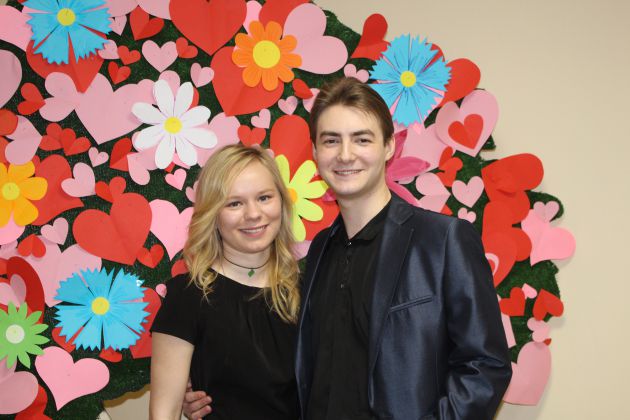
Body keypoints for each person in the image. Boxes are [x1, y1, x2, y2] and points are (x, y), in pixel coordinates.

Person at [184, 77, 512, 420]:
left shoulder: (442, 240)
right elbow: (296, 368)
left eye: (361, 139)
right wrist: (212, 391)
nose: (345, 154)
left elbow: (486, 366)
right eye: (331, 140)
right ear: (315, 153)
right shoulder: (318, 254)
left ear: (389, 146)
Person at [150, 145, 301, 420]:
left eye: (264, 197)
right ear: (213, 214)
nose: (253, 214)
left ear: (281, 201)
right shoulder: (188, 296)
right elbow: (164, 413)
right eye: (234, 203)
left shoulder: (309, 289)